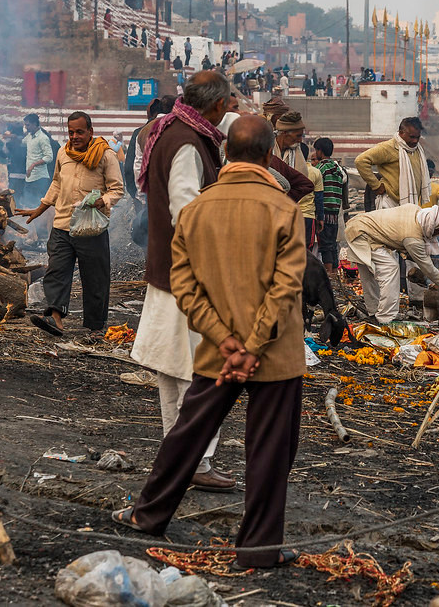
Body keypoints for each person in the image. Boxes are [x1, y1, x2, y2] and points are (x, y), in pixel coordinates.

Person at [113, 114, 306, 569]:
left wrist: (226, 341)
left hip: (216, 351)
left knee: (188, 433)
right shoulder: (284, 210)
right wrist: (254, 344)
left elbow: (184, 286)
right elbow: (285, 287)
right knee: (269, 450)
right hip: (274, 355)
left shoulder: (197, 209)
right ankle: (257, 549)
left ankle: (148, 515)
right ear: (267, 155)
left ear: (225, 154)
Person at [130, 71, 234, 493]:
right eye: (227, 102)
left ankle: (178, 451)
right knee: (198, 369)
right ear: (215, 105)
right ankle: (197, 459)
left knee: (175, 369)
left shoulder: (170, 128)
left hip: (169, 268)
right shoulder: (188, 143)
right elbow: (187, 212)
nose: (229, 108)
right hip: (188, 274)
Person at [17, 112, 124, 335]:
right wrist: (41, 207)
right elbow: (56, 183)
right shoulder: (63, 153)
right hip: (62, 225)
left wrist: (102, 201)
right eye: (71, 132)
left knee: (95, 278)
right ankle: (56, 317)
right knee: (57, 271)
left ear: (90, 132)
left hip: (91, 228)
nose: (74, 136)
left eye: (79, 132)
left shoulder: (105, 155)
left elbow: (117, 189)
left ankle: (95, 326)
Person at [343, 204, 439, 323]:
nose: (438, 235)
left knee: (369, 275)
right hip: (361, 233)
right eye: (438, 231)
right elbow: (428, 269)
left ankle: (374, 313)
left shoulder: (417, 212)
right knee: (390, 268)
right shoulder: (412, 238)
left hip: (358, 225)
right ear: (432, 226)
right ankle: (385, 318)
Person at [354, 117, 430, 210]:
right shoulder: (388, 147)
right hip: (390, 203)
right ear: (401, 133)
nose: (415, 141)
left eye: (417, 137)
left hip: (409, 204)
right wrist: (376, 186)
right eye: (412, 137)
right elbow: (361, 161)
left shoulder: (417, 149)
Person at [312, 137, 346, 272]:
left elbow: (317, 189)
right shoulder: (337, 169)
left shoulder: (321, 168)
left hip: (324, 212)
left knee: (325, 246)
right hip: (335, 213)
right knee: (332, 245)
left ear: (320, 151)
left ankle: (329, 276)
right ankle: (335, 274)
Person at [22, 113, 54, 206]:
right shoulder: (29, 136)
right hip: (29, 178)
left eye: (27, 125)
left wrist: (33, 165)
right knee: (28, 204)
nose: (26, 127)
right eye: (25, 125)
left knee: (38, 205)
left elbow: (49, 157)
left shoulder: (43, 138)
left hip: (40, 178)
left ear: (35, 124)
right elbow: (22, 142)